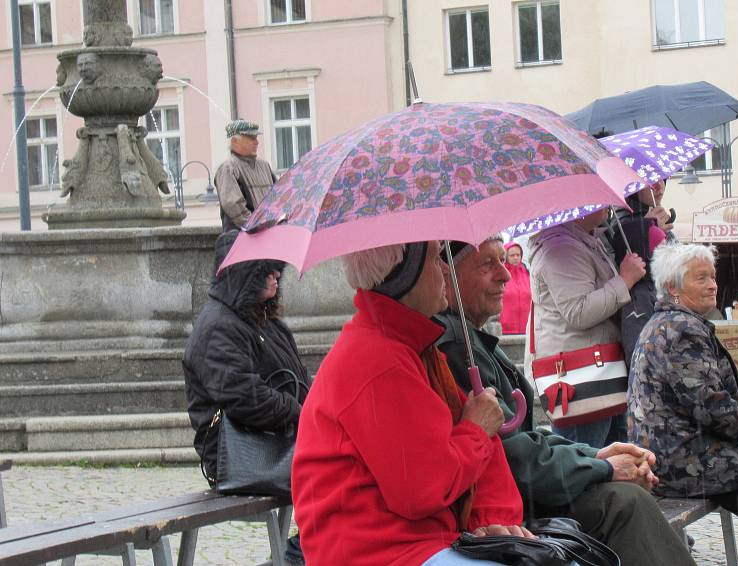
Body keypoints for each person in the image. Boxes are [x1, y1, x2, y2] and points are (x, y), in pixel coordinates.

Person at [435, 236, 695, 566]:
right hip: (509, 506)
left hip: (518, 494)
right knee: (624, 503)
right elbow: (513, 455)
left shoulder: (471, 340)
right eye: (487, 264)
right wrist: (602, 467)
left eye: (502, 260)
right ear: (447, 276)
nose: (504, 274)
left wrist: (597, 455)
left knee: (627, 496)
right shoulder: (456, 345)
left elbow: (520, 436)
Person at [292, 240, 532, 566]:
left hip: (422, 544)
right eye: (435, 260)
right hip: (380, 554)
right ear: (404, 275)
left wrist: (493, 518)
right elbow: (422, 489)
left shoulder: (412, 348)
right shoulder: (378, 359)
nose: (446, 269)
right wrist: (475, 428)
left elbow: (482, 460)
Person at [628, 242, 738, 566]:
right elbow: (707, 404)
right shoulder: (682, 329)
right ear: (672, 287)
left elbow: (700, 399)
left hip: (677, 454)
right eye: (701, 278)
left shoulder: (668, 323)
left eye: (713, 277)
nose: (712, 285)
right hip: (688, 461)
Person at [183, 230, 311, 565]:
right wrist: (301, 411)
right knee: (338, 472)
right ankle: (306, 552)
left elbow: (297, 378)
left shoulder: (263, 321)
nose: (275, 276)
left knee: (343, 466)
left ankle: (310, 549)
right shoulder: (218, 327)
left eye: (276, 268)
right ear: (244, 274)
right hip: (240, 453)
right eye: (265, 270)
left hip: (277, 441)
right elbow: (246, 398)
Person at [528, 208, 646, 447]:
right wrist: (625, 280)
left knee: (610, 461)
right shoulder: (563, 249)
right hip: (581, 379)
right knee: (587, 462)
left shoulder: (583, 240)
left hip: (598, 373)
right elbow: (578, 312)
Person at [610, 180, 676, 367]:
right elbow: (647, 271)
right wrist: (650, 229)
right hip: (641, 311)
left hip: (656, 310)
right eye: (650, 181)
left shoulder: (655, 216)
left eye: (663, 179)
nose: (659, 186)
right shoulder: (623, 223)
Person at [214, 119, 277, 232]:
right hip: (244, 238)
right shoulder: (228, 169)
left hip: (266, 233)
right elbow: (233, 205)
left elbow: (278, 196)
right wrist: (257, 226)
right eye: (251, 138)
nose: (256, 142)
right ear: (235, 141)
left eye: (256, 137)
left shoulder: (264, 165)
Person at [498, 241, 531, 335]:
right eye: (512, 255)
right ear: (505, 256)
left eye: (518, 255)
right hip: (505, 330)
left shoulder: (528, 274)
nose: (516, 257)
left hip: (527, 329)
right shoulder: (500, 275)